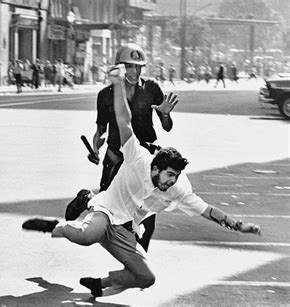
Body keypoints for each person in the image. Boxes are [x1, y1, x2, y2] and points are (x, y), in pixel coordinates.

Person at [22, 61, 262, 297]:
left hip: (126, 227)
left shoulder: (178, 188)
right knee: (88, 235)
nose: (171, 182)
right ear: (156, 168)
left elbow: (207, 211)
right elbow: (123, 121)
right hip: (107, 212)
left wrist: (238, 225)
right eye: (169, 175)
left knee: (147, 277)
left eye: (176, 177)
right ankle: (55, 225)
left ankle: (100, 283)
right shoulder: (138, 158)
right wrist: (117, 83)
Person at [86, 44, 175, 251]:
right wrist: (95, 149)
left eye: (138, 67)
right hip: (117, 157)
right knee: (107, 211)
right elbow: (100, 131)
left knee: (148, 215)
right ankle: (86, 199)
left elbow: (167, 127)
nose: (134, 72)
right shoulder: (106, 95)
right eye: (129, 67)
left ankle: (139, 257)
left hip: (145, 161)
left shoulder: (152, 88)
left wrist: (165, 114)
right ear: (120, 67)